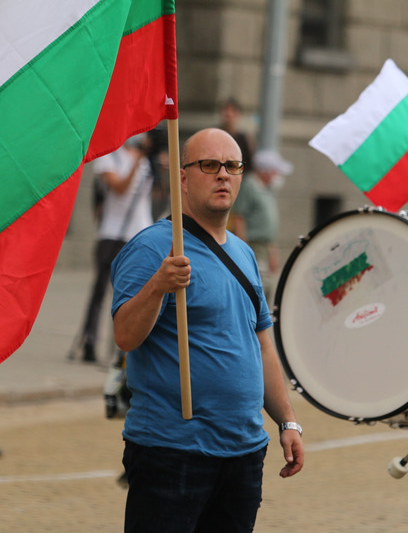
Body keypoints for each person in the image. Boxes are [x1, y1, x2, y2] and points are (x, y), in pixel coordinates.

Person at [110, 128, 304, 532]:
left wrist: (287, 422)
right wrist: (158, 287)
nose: (222, 175)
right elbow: (125, 336)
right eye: (209, 165)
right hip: (172, 453)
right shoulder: (151, 248)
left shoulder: (243, 252)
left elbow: (262, 345)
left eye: (232, 166)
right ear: (183, 178)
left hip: (244, 453)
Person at [78, 134, 155, 363]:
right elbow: (120, 188)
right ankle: (89, 342)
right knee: (100, 292)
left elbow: (155, 194)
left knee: (133, 295)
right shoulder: (109, 157)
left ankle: (126, 351)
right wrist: (137, 162)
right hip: (112, 234)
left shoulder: (145, 161)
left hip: (138, 235)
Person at [231, 149, 293, 297]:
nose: (277, 176)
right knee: (258, 287)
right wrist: (242, 250)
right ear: (265, 171)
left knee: (267, 286)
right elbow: (239, 217)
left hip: (264, 247)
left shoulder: (265, 190)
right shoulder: (249, 186)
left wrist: (273, 252)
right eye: (275, 171)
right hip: (253, 246)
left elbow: (269, 227)